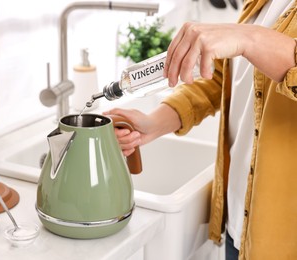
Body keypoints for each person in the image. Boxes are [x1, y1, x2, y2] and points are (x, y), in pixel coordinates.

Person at [104, 1, 297, 259]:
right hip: (240, 224)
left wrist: (249, 38)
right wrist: (154, 123)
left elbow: (251, 46)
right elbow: (221, 77)